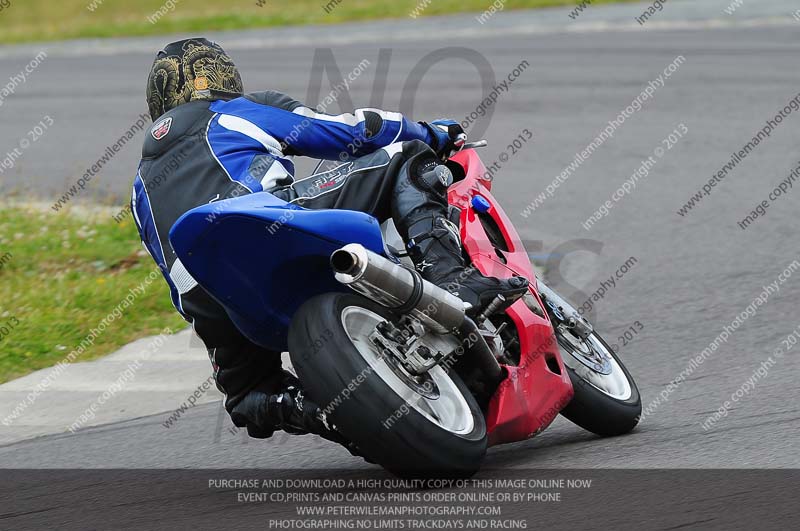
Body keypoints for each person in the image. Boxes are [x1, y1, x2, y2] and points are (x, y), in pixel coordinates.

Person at [133, 38, 528, 446]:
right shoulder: (233, 112)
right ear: (219, 78)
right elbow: (352, 131)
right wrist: (432, 133)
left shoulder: (139, 188)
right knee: (404, 155)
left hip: (209, 294)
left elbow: (167, 265)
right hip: (265, 228)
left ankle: (333, 415)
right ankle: (451, 279)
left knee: (251, 396)